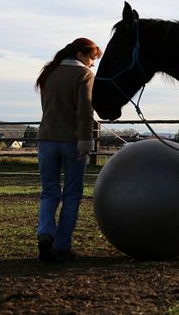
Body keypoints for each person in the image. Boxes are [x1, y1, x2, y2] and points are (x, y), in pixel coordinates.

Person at [35, 38, 102, 262]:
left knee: (49, 192)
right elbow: (85, 112)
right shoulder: (84, 75)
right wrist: (86, 140)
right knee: (72, 194)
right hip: (72, 141)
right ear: (82, 54)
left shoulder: (49, 73)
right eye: (92, 58)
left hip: (46, 139)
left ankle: (45, 233)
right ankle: (62, 244)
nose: (92, 64)